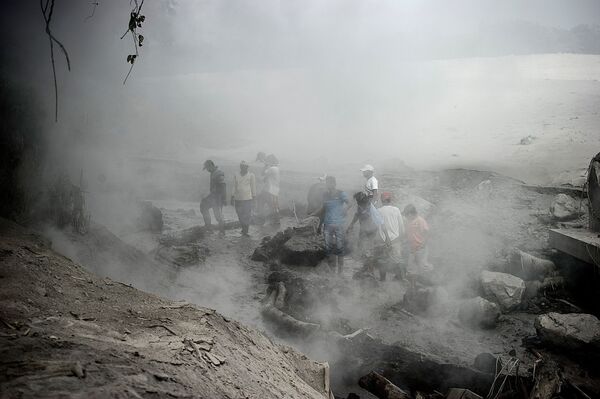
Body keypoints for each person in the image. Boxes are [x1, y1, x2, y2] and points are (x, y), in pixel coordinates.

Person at [316, 176, 349, 274]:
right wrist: (317, 222)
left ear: (334, 183)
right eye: (327, 183)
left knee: (340, 248)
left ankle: (340, 273)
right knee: (329, 248)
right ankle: (332, 272)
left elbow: (349, 203)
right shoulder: (325, 195)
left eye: (329, 183)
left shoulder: (341, 193)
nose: (328, 185)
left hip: (339, 224)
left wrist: (345, 209)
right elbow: (323, 210)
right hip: (327, 225)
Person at [372, 192, 405, 281]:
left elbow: (376, 227)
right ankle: (399, 279)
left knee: (382, 260)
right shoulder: (396, 210)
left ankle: (383, 279)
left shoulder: (378, 211)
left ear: (382, 201)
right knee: (398, 260)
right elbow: (401, 226)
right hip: (395, 240)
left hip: (383, 240)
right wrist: (401, 238)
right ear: (390, 200)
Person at [346, 191, 385, 264]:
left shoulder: (371, 207)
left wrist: (383, 234)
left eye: (358, 201)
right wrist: (351, 225)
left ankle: (369, 261)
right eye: (357, 201)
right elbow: (357, 215)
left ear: (363, 200)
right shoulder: (361, 205)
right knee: (361, 243)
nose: (357, 203)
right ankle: (361, 259)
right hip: (363, 228)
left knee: (369, 245)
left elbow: (380, 221)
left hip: (372, 229)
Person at [403, 203, 432, 283]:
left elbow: (427, 233)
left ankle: (431, 276)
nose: (406, 217)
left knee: (422, 266)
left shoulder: (420, 220)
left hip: (420, 248)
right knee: (411, 268)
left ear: (410, 213)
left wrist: (423, 244)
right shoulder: (409, 222)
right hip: (412, 249)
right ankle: (413, 284)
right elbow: (408, 234)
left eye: (406, 215)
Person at [200, 159, 226, 235]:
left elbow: (223, 186)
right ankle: (208, 227)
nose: (207, 170)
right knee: (203, 205)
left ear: (210, 166)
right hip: (213, 196)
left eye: (207, 168)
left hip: (217, 197)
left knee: (218, 215)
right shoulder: (213, 172)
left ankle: (222, 231)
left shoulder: (218, 173)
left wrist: (223, 199)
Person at [231, 160, 256, 237]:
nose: (243, 168)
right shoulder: (236, 174)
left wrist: (254, 198)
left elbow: (253, 187)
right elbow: (234, 186)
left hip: (247, 199)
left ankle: (245, 231)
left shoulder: (251, 175)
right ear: (240, 167)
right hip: (238, 199)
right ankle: (243, 228)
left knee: (247, 215)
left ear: (247, 167)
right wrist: (232, 196)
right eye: (241, 166)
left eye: (244, 166)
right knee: (239, 214)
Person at [258, 154, 280, 225]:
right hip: (274, 190)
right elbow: (266, 177)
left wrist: (265, 165)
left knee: (261, 202)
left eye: (268, 160)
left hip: (269, 190)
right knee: (273, 205)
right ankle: (276, 220)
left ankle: (262, 218)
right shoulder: (276, 168)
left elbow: (262, 173)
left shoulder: (272, 169)